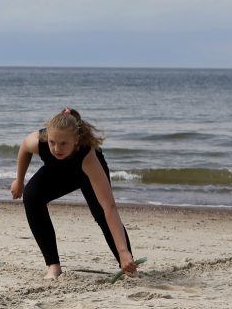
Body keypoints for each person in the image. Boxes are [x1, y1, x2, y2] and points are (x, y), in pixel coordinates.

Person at [10, 108, 137, 280]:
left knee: (101, 212)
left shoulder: (88, 156)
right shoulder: (39, 140)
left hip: (86, 174)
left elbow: (110, 207)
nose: (56, 148)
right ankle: (53, 266)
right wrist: (19, 181)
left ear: (76, 141)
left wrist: (124, 251)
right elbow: (24, 148)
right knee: (32, 196)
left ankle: (127, 264)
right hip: (58, 171)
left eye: (63, 143)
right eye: (53, 142)